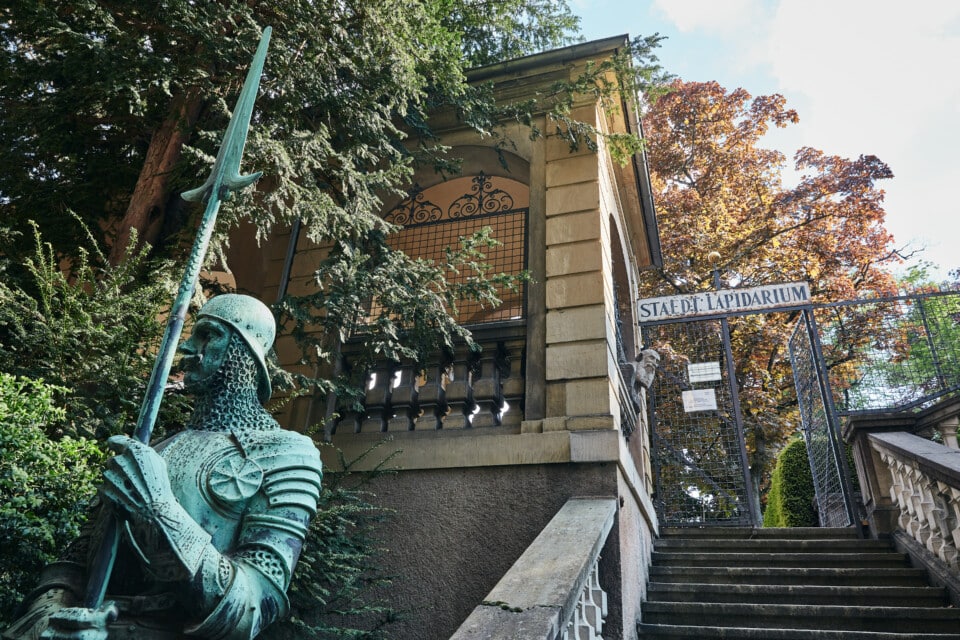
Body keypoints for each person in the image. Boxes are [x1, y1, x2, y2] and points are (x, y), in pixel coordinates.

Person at [4, 294, 323, 640]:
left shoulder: (285, 453)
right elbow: (74, 565)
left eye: (207, 335)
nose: (187, 347)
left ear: (244, 352)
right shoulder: (156, 448)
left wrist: (157, 513)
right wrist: (52, 618)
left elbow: (251, 607)